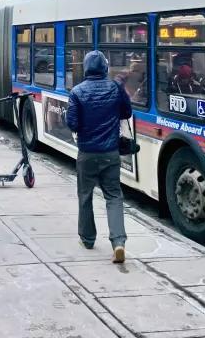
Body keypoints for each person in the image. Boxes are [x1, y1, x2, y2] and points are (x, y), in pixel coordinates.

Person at [66, 50, 132, 264]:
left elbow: (73, 123)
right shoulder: (115, 87)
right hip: (110, 153)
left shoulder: (77, 92)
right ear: (104, 67)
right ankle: (118, 242)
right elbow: (126, 113)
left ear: (85, 68)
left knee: (85, 197)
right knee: (114, 196)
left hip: (87, 153)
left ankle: (87, 239)